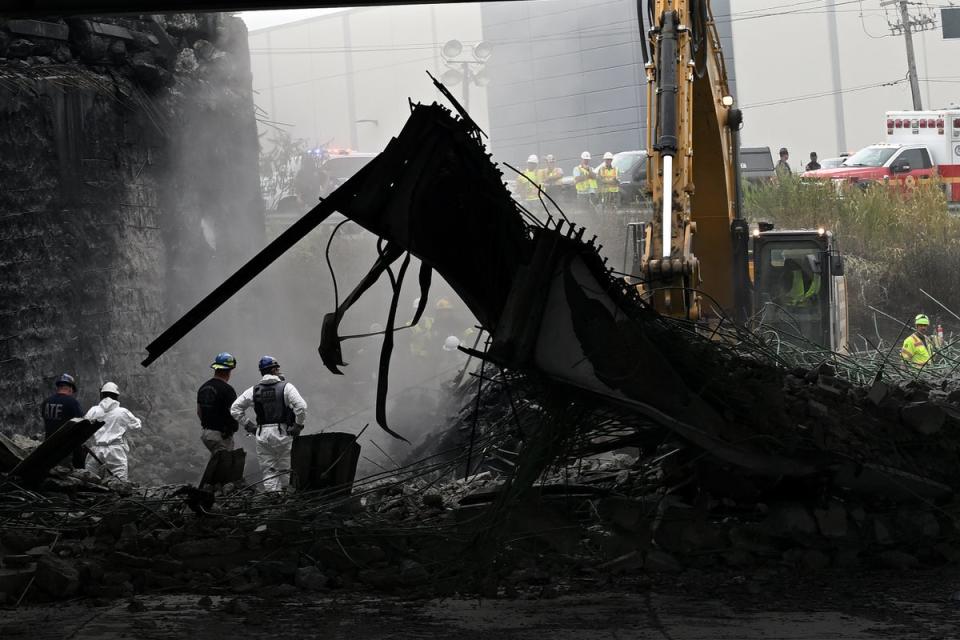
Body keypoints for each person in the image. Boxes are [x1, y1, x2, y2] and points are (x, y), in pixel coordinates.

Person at [230, 356, 307, 492]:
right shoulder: (286, 387)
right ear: (274, 369)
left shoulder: (254, 390)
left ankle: (273, 498)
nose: (279, 370)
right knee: (285, 467)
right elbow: (301, 407)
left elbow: (235, 409)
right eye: (277, 368)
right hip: (283, 432)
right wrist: (298, 425)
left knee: (269, 469)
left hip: (262, 434)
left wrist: (249, 425)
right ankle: (286, 496)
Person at [84, 382, 142, 482]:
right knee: (119, 482)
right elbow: (137, 426)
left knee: (90, 481)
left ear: (102, 395)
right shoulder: (122, 412)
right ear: (116, 396)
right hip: (115, 450)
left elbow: (83, 426)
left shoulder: (93, 410)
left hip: (95, 449)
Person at [197, 352, 239, 456]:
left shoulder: (203, 387)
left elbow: (199, 412)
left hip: (206, 434)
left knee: (217, 462)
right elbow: (233, 414)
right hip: (220, 436)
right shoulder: (228, 390)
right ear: (229, 371)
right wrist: (232, 428)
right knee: (224, 467)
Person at [41, 373, 84, 468]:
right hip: (65, 448)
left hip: (48, 446)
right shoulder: (72, 402)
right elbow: (81, 424)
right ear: (70, 388)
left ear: (59, 387)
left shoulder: (46, 402)